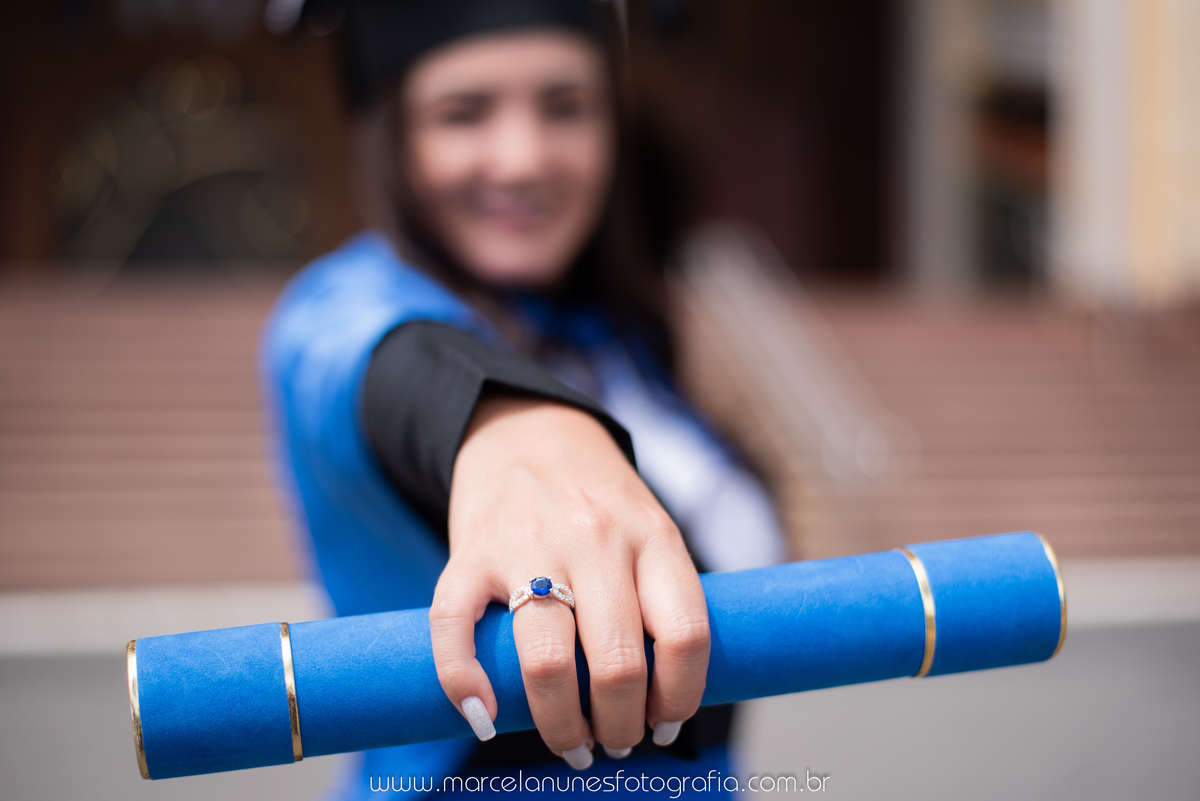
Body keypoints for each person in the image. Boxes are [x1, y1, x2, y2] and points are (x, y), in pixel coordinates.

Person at [261, 1, 788, 798]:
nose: (521, 159)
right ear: (392, 133)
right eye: (463, 114)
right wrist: (509, 426)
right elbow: (387, 360)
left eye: (564, 106)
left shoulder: (622, 337)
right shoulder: (341, 309)